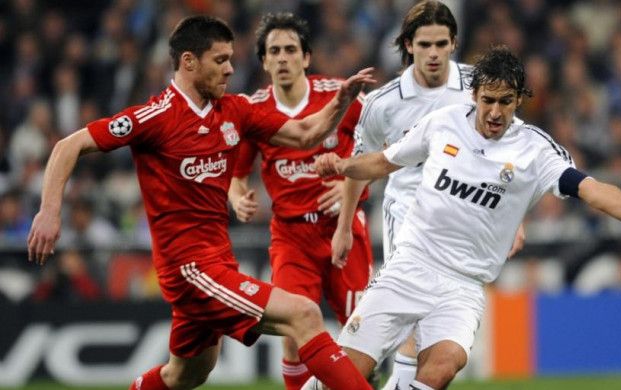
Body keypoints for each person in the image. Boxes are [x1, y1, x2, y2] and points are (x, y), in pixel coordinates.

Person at [308, 47, 621, 390]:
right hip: (410, 265)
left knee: (446, 362)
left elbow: (594, 191)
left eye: (505, 101)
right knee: (346, 373)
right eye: (488, 100)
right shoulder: (442, 125)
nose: (495, 112)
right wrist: (342, 167)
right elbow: (382, 161)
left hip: (463, 284)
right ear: (474, 96)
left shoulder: (535, 151)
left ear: (520, 100)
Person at [26, 15, 375, 390]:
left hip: (217, 261)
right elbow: (69, 145)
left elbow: (306, 133)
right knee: (303, 314)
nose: (230, 69)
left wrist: (341, 101)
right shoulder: (156, 117)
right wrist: (49, 211)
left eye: (230, 59)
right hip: (189, 269)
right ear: (189, 61)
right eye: (220, 60)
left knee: (187, 374)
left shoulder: (234, 110)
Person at [329, 2, 525, 388]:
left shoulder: (477, 87)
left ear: (453, 43)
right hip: (407, 214)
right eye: (424, 44)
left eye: (440, 43)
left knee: (437, 345)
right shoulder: (383, 103)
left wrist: (512, 220)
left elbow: (514, 151)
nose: (433, 53)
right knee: (413, 324)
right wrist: (344, 226)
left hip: (465, 215)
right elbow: (361, 164)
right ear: (408, 45)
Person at [228, 13, 373, 390]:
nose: (282, 58)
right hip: (291, 236)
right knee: (294, 331)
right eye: (273, 51)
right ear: (263, 61)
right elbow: (236, 173)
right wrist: (237, 197)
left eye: (290, 49)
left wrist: (347, 188)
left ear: (306, 57)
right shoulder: (253, 110)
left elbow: (382, 151)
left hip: (343, 228)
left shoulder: (340, 95)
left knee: (362, 334)